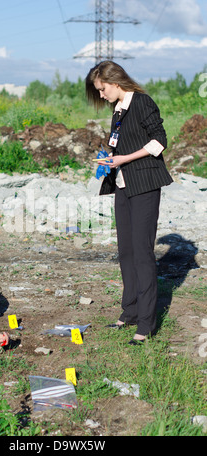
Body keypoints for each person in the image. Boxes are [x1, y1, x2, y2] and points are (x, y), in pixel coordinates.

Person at [86, 61, 173, 345]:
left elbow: (159, 141)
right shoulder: (118, 111)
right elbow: (121, 144)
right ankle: (131, 311)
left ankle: (146, 324)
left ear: (116, 81)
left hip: (145, 184)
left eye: (102, 89)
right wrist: (110, 158)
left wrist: (124, 158)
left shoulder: (143, 102)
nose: (101, 96)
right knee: (126, 251)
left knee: (143, 253)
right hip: (123, 185)